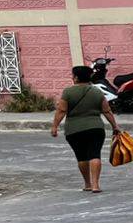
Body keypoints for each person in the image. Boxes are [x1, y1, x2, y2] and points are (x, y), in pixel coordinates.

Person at [51, 64, 119, 192]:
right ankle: (96, 185)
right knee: (95, 154)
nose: (72, 77)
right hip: (96, 128)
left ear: (76, 78)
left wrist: (54, 126)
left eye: (73, 75)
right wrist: (115, 126)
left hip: (74, 129)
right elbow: (107, 111)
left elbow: (61, 110)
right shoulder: (97, 91)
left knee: (81, 156)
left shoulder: (68, 92)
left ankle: (88, 184)